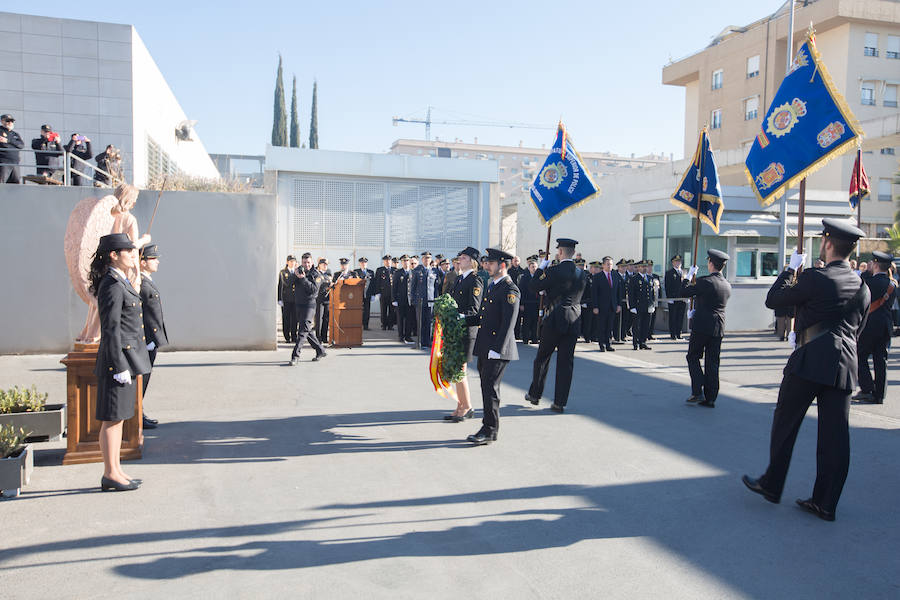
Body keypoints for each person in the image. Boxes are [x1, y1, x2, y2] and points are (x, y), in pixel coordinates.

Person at [743, 219, 870, 522]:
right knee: (835, 437)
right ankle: (825, 503)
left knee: (786, 423)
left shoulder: (815, 277)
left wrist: (789, 270)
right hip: (844, 365)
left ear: (827, 244)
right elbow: (858, 331)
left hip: (809, 360)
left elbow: (774, 300)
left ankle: (772, 485)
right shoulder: (862, 286)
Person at [89, 233, 151, 492]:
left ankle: (115, 469)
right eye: (127, 251)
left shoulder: (120, 279)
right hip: (118, 361)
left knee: (118, 419)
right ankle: (110, 473)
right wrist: (118, 366)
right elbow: (112, 329)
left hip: (125, 359)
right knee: (112, 420)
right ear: (114, 255)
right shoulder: (112, 284)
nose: (132, 254)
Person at [525, 238, 588, 413]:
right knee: (566, 362)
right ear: (573, 253)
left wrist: (541, 268)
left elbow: (533, 286)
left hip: (554, 318)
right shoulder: (581, 273)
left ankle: (535, 394)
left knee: (543, 358)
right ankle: (560, 402)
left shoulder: (552, 271)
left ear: (560, 252)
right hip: (574, 319)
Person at [466, 248, 520, 445]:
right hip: (486, 346)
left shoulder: (510, 289)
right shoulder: (493, 286)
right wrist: (462, 319)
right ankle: (488, 426)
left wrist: (497, 350)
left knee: (491, 388)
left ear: (502, 265)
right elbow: (483, 317)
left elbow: (508, 323)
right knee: (486, 386)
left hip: (497, 349)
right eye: (486, 262)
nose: (486, 266)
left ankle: (490, 429)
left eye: (491, 263)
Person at [682, 249, 732, 407]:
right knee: (713, 362)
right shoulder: (726, 284)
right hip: (719, 326)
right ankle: (711, 397)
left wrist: (688, 277)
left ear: (711, 264)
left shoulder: (706, 281)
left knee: (693, 356)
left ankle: (698, 390)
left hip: (703, 325)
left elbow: (684, 291)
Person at [444, 247, 483, 423]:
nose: (460, 259)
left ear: (473, 262)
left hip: (466, 330)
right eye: (460, 256)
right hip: (455, 330)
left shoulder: (476, 281)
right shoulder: (460, 278)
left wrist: (456, 316)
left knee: (461, 370)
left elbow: (474, 309)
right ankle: (461, 406)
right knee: (456, 370)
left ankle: (466, 407)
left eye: (464, 257)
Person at [853, 251, 895, 404]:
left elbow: (859, 291)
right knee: (880, 359)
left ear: (875, 265)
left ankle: (867, 388)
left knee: (860, 356)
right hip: (885, 325)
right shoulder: (892, 285)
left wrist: (866, 272)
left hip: (869, 325)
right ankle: (879, 394)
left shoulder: (869, 282)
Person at [139, 244, 168, 430]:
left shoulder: (146, 280)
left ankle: (139, 412)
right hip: (146, 339)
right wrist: (147, 338)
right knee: (142, 379)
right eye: (152, 258)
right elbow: (139, 313)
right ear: (142, 262)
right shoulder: (140, 282)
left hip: (151, 339)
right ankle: (136, 415)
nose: (157, 261)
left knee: (145, 378)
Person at [288, 253, 327, 366]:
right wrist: (295, 275)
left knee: (302, 332)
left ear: (312, 263)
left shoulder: (316, 274)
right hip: (299, 305)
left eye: (308, 262)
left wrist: (303, 278)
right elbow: (288, 283)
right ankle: (320, 350)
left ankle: (295, 356)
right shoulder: (299, 271)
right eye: (304, 262)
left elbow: (313, 290)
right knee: (307, 330)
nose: (306, 265)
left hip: (309, 306)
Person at [592, 256, 621, 352]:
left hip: (612, 305)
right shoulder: (597, 277)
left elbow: (618, 292)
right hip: (601, 306)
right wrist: (595, 306)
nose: (610, 266)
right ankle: (602, 344)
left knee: (610, 326)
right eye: (608, 264)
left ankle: (609, 344)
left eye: (611, 264)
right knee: (601, 326)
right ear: (603, 265)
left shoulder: (615, 275)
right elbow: (594, 293)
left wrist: (618, 304)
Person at [410, 251, 436, 348]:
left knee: (428, 321)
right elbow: (413, 286)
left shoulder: (434, 271)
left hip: (430, 300)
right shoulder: (417, 270)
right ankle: (420, 341)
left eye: (429, 258)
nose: (427, 260)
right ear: (422, 259)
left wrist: (436, 299)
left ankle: (427, 341)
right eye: (425, 258)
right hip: (420, 300)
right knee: (420, 322)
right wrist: (413, 299)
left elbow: (435, 287)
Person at [627, 261, 654, 350]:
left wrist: (652, 304)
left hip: (647, 306)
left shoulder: (650, 278)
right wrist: (632, 307)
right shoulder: (634, 278)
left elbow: (651, 293)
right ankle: (636, 343)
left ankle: (643, 342)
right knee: (637, 326)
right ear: (638, 268)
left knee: (646, 325)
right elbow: (631, 294)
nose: (645, 268)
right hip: (638, 306)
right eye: (642, 266)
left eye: (646, 266)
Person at [664, 255, 688, 340]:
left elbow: (686, 284)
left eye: (679, 261)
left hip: (682, 298)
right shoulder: (669, 273)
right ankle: (673, 334)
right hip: (673, 298)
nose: (678, 263)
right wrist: (669, 298)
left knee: (680, 317)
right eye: (676, 261)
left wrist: (686, 296)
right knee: (673, 317)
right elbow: (667, 286)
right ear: (673, 263)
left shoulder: (684, 272)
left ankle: (679, 333)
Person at [518, 256, 540, 345]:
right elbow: (521, 291)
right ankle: (526, 338)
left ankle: (535, 338)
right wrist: (521, 303)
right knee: (527, 321)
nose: (534, 269)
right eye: (532, 267)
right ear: (529, 268)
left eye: (535, 267)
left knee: (535, 321)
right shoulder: (525, 278)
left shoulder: (539, 277)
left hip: (537, 303)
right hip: (527, 303)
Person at [392, 255, 413, 343]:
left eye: (407, 261)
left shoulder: (413, 272)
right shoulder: (398, 273)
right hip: (400, 299)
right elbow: (394, 287)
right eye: (404, 261)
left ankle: (408, 336)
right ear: (401, 262)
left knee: (409, 318)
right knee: (400, 319)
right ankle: (401, 336)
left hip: (410, 300)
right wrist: (394, 299)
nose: (406, 262)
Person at [278, 256, 298, 344]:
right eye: (290, 261)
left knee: (294, 319)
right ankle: (287, 336)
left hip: (295, 299)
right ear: (287, 262)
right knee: (286, 318)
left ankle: (294, 336)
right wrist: (279, 299)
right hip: (286, 299)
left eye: (293, 261)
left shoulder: (297, 271)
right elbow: (280, 286)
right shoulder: (283, 272)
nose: (292, 263)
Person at [0, 114, 24, 184]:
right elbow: (4, 146)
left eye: (12, 121)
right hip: (4, 163)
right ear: (2, 121)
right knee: (2, 183)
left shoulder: (15, 134)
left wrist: (8, 141)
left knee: (15, 184)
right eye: (8, 121)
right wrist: (14, 145)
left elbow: (21, 145)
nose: (10, 123)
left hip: (15, 163)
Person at [353, 258, 375, 330]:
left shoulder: (371, 272)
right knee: (358, 310)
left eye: (365, 263)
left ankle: (366, 325)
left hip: (367, 294)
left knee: (367, 310)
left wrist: (373, 294)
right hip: (359, 294)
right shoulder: (356, 272)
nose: (363, 264)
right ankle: (358, 325)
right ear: (360, 264)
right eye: (362, 263)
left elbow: (373, 284)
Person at [773, 264, 794, 341]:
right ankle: (786, 335)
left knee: (784, 320)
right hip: (787, 302)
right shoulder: (794, 278)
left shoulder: (781, 278)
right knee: (788, 320)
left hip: (783, 302)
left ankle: (783, 335)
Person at [375, 255, 394, 330]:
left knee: (391, 310)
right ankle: (384, 324)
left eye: (389, 260)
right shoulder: (380, 270)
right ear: (384, 262)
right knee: (383, 309)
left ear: (391, 261)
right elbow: (377, 282)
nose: (388, 262)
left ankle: (390, 325)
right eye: (386, 261)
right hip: (383, 293)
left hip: (392, 294)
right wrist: (377, 292)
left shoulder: (395, 270)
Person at [315, 258, 332, 342]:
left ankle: (324, 337)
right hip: (320, 300)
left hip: (327, 300)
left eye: (326, 264)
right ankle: (318, 337)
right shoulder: (317, 274)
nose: (325, 266)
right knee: (319, 319)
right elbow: (317, 286)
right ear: (319, 265)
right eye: (324, 264)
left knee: (326, 319)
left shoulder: (328, 275)